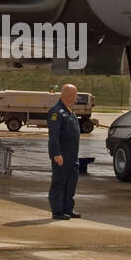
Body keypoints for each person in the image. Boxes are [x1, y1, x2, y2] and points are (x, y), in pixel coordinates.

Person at [47, 83, 81, 219]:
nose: (76, 98)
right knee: (59, 182)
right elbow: (54, 136)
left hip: (73, 155)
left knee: (71, 182)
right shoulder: (56, 111)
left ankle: (68, 208)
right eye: (75, 95)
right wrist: (56, 154)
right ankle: (57, 211)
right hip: (62, 155)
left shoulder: (70, 111)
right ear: (68, 96)